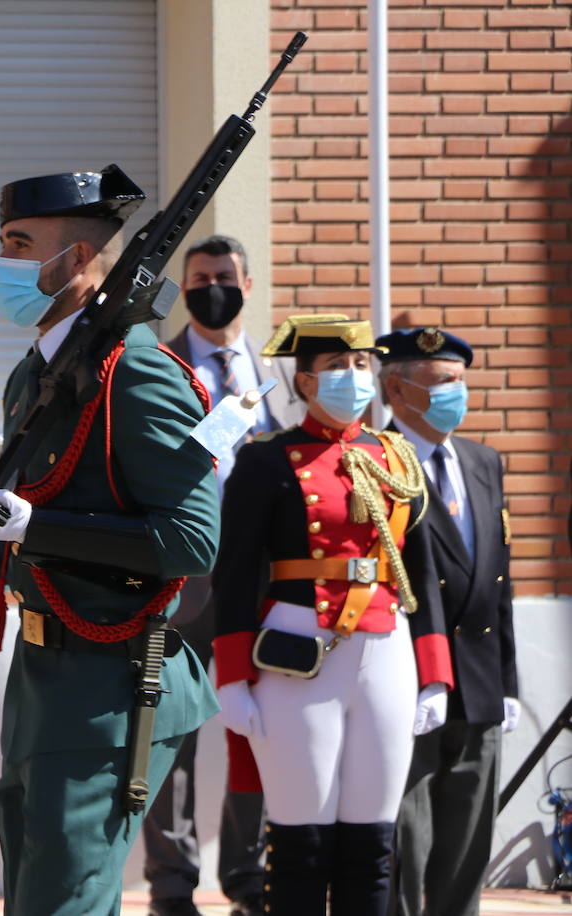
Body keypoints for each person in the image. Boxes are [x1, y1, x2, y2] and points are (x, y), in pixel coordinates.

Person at [0, 163, 221, 915]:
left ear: (78, 260)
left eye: (21, 243)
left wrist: (40, 527)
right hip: (42, 681)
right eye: (3, 241)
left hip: (114, 680)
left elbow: (191, 540)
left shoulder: (137, 375)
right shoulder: (37, 376)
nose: (3, 262)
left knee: (63, 905)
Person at [212, 315, 453, 915]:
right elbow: (236, 573)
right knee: (301, 841)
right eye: (337, 367)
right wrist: (232, 677)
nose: (354, 377)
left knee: (373, 843)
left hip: (386, 649)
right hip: (298, 652)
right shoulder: (267, 461)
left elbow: (420, 574)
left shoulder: (396, 457)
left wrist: (436, 673)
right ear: (307, 383)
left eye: (360, 365)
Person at [150, 234, 304, 916]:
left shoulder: (282, 377)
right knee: (171, 736)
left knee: (256, 734)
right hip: (181, 583)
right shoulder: (157, 366)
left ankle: (246, 878)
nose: (210, 287)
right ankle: (172, 887)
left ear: (246, 282)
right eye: (198, 278)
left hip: (263, 587)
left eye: (222, 276)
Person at [377, 326, 519, 916]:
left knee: (468, 839)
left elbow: (499, 579)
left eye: (460, 382)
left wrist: (509, 683)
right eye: (440, 383)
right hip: (408, 675)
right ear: (396, 389)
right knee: (406, 838)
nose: (454, 394)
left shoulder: (484, 461)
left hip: (479, 678)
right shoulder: (375, 459)